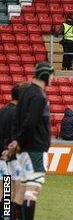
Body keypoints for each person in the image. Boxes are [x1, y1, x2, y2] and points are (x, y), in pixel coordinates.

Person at [5, 62, 54, 220]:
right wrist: (18, 141)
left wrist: (15, 141)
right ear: (45, 75)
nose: (53, 78)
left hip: (24, 150)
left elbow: (16, 122)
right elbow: (31, 122)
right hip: (35, 148)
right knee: (32, 189)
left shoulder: (25, 94)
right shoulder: (39, 95)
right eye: (52, 74)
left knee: (23, 187)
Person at [0, 83, 27, 219]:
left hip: (1, 157)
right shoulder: (18, 114)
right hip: (12, 157)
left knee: (4, 189)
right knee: (16, 189)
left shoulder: (2, 111)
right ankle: (11, 216)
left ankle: (5, 215)